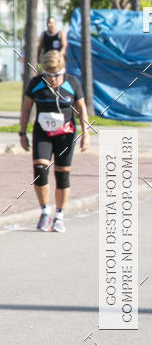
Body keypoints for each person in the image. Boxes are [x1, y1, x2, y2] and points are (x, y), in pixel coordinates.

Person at [19, 50, 89, 232]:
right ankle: (44, 211)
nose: (52, 79)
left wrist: (86, 134)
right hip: (43, 133)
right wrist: (22, 132)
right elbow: (26, 108)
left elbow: (81, 108)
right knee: (40, 170)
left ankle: (59, 216)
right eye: (48, 75)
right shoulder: (36, 83)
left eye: (56, 75)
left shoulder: (72, 82)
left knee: (62, 174)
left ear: (62, 70)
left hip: (65, 135)